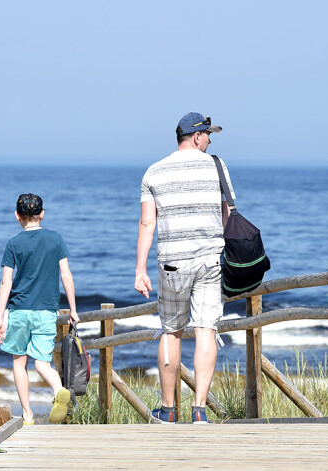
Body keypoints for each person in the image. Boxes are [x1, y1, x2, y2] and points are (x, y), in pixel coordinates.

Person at [135, 112, 235, 424]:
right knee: (206, 328)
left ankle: (167, 411)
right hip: (209, 260)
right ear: (195, 136)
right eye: (207, 135)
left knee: (171, 331)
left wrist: (140, 269)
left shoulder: (154, 172)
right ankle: (200, 410)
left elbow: (147, 223)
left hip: (172, 263)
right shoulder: (216, 166)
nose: (210, 141)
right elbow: (228, 214)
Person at [0, 193, 80, 425]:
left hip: (21, 310)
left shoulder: (13, 243)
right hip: (46, 310)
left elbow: (6, 283)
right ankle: (57, 389)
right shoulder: (55, 239)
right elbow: (66, 275)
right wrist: (73, 309)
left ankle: (28, 415)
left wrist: (0, 318)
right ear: (42, 214)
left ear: (17, 216)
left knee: (19, 362)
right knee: (42, 363)